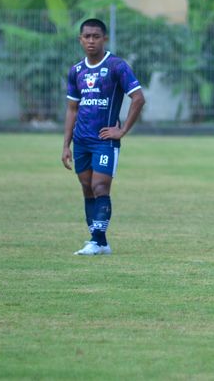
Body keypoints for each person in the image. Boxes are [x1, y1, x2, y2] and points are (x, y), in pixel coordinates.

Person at [61, 18, 145, 256]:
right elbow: (72, 109)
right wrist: (66, 144)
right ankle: (101, 242)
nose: (91, 41)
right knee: (87, 188)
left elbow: (138, 98)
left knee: (100, 187)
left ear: (104, 39)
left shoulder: (117, 66)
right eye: (86, 36)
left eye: (96, 36)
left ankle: (95, 242)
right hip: (81, 141)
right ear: (80, 39)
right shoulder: (76, 71)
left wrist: (122, 130)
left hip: (105, 140)